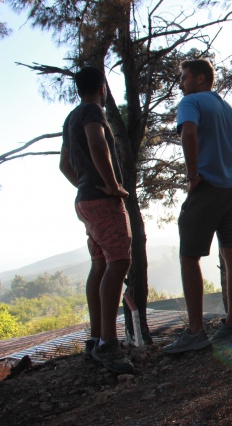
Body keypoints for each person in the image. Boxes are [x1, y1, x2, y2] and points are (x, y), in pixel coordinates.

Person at [163, 59, 232, 354]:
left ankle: (195, 332)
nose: (180, 84)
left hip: (208, 188)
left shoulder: (191, 102)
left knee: (188, 257)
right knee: (231, 253)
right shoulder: (230, 109)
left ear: (199, 78)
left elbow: (188, 133)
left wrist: (193, 175)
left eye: (183, 78)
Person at [59, 66, 134, 374]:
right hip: (103, 199)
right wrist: (112, 184)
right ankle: (109, 345)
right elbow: (97, 143)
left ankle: (94, 341)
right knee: (118, 262)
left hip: (85, 200)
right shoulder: (92, 111)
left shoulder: (70, 117)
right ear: (102, 87)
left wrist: (84, 183)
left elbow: (64, 165)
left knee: (101, 264)